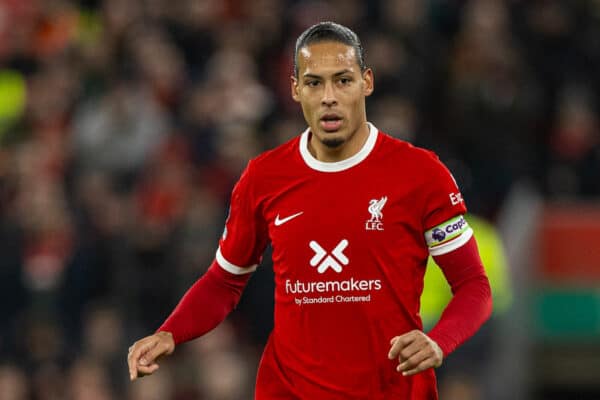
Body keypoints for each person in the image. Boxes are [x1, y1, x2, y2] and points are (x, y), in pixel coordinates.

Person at [127, 21, 492, 399]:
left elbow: (473, 286)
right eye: (315, 83)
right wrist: (171, 331)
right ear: (295, 89)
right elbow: (224, 281)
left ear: (366, 82)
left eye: (343, 80)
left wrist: (438, 342)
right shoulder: (264, 177)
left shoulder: (420, 174)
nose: (329, 97)